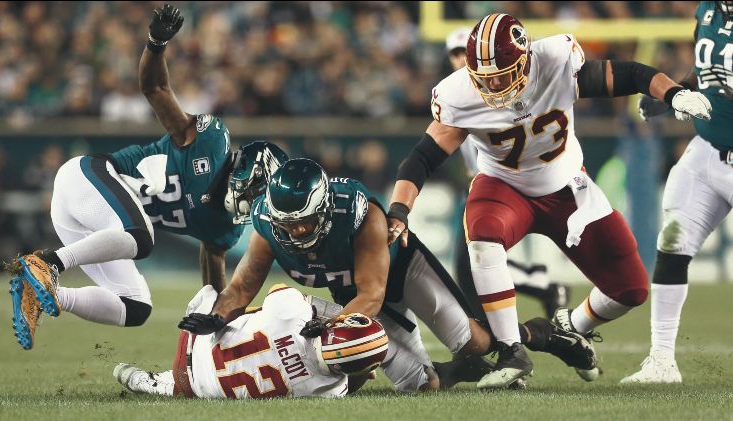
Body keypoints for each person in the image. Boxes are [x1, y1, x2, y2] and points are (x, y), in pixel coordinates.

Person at [386, 13, 712, 388]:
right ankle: (512, 352)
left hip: (567, 187)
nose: (493, 87)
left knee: (631, 289)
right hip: (503, 186)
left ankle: (567, 329)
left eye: (502, 75)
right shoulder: (458, 94)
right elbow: (422, 157)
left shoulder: (556, 62)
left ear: (525, 61)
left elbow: (632, 74)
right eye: (484, 79)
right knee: (482, 237)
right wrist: (399, 210)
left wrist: (673, 93)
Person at [196, 157, 597, 392]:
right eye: (289, 225)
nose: (297, 232)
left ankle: (547, 334)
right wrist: (213, 318)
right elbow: (241, 288)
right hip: (350, 295)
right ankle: (466, 371)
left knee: (475, 341)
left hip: (399, 272)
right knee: (419, 385)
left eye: (304, 222)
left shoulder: (355, 211)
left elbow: (372, 293)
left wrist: (331, 326)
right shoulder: (270, 228)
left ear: (322, 208)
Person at [7, 5, 277, 350]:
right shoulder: (207, 143)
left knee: (135, 307)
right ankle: (48, 263)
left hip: (96, 228)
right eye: (256, 192)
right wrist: (156, 43)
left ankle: (47, 294)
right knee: (141, 236)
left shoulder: (224, 226)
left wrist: (218, 320)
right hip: (87, 180)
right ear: (245, 172)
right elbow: (155, 89)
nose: (252, 202)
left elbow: (214, 288)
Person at [621, 1, 733, 384]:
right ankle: (662, 360)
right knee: (671, 244)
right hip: (706, 155)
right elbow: (706, 73)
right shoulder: (708, 11)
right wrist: (674, 95)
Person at [445, 27, 571, 320]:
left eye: (464, 52)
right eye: (454, 53)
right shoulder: (454, 93)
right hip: (481, 185)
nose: (460, 59)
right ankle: (538, 288)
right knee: (471, 265)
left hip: (509, 184)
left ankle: (533, 296)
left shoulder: (506, 90)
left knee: (471, 264)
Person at [115, 285, 388, 399]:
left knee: (223, 294)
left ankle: (150, 379)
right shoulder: (329, 390)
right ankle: (153, 383)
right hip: (195, 388)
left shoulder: (292, 314)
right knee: (207, 378)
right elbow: (350, 379)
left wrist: (322, 315)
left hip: (190, 342)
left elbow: (278, 290)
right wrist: (361, 365)